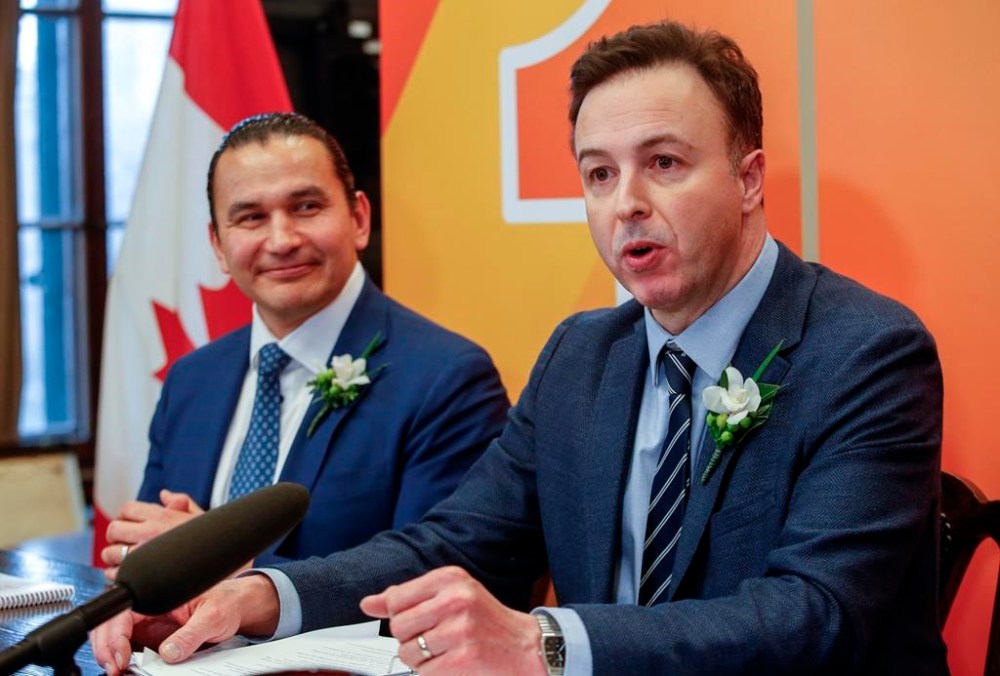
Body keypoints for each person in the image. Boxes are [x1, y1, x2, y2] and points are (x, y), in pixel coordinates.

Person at [91, 22, 947, 675]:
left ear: (750, 177)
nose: (627, 204)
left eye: (666, 163)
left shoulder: (867, 351)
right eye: (599, 174)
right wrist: (262, 596)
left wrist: (541, 640)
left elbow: (816, 613)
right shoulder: (583, 353)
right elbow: (456, 540)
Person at [97, 112, 510, 576]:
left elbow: (438, 576)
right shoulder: (191, 381)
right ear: (218, 245)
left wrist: (228, 569)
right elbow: (147, 542)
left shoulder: (446, 378)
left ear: (358, 218)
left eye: (306, 207)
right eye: (251, 217)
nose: (282, 240)